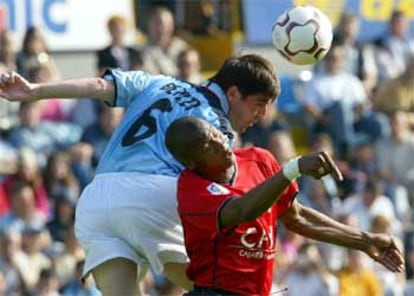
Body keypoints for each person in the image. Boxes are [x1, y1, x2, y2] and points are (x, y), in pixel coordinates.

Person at [0, 53, 280, 295]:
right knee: (222, 289)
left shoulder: (157, 82)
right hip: (153, 199)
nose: (263, 114)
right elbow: (216, 191)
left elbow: (99, 85)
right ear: (233, 94)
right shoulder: (215, 126)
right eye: (259, 103)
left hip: (96, 200)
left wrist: (35, 91)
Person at [164, 116, 404, 295]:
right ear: (192, 162)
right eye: (207, 146)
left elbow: (296, 217)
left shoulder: (259, 160)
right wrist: (292, 169)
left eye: (214, 133)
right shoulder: (191, 188)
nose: (219, 143)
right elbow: (241, 211)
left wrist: (364, 240)